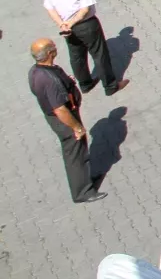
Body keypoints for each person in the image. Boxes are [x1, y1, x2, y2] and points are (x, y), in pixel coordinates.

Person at [28, 38, 107, 203]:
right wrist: (77, 127)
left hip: (60, 115)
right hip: (64, 119)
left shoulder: (36, 70)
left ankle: (86, 179)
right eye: (54, 47)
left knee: (79, 150)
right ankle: (82, 192)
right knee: (75, 153)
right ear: (50, 53)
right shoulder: (49, 80)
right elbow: (60, 109)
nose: (56, 48)